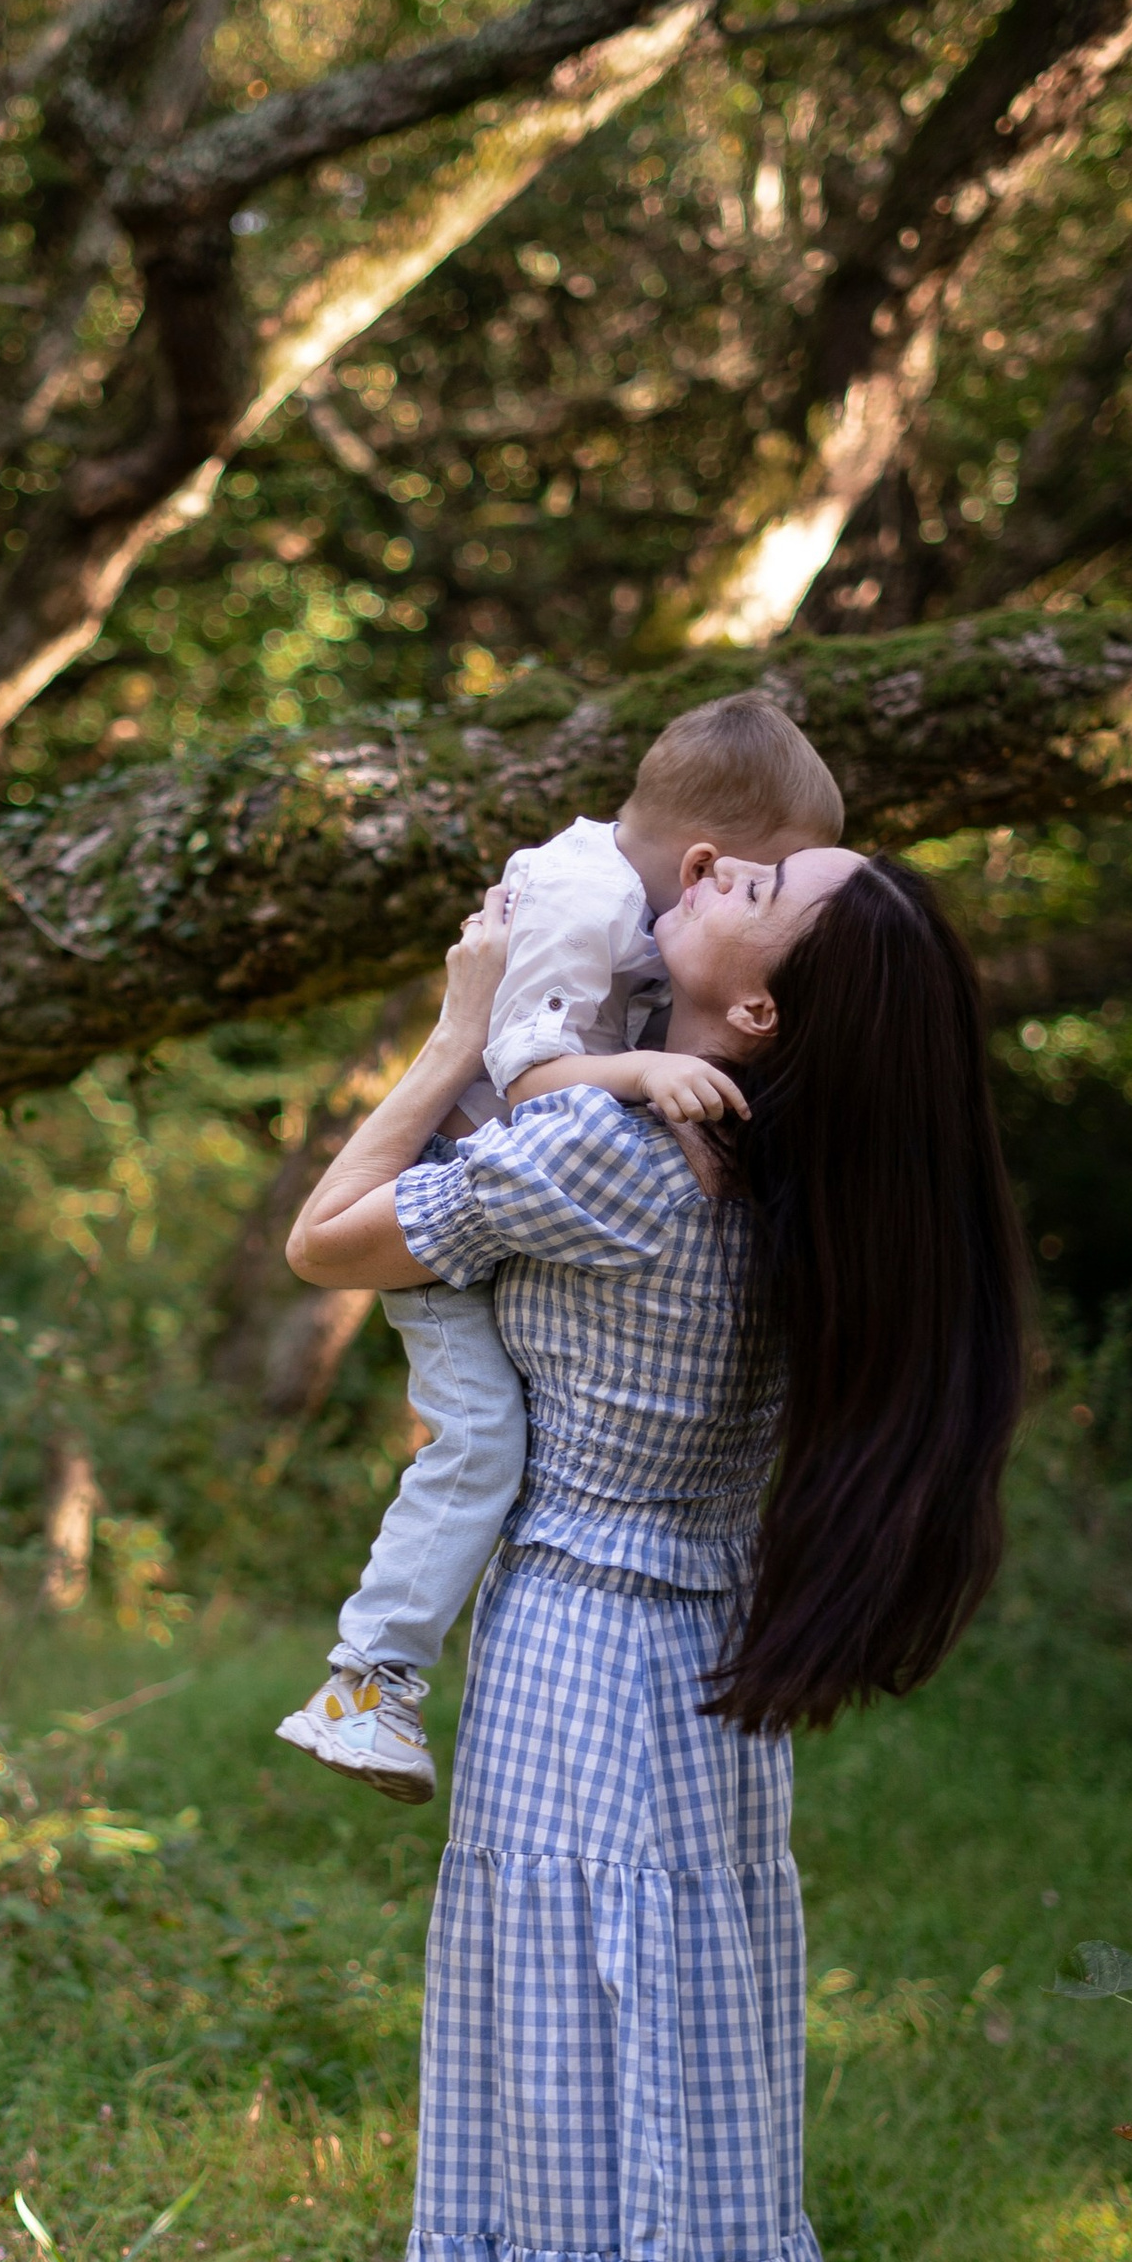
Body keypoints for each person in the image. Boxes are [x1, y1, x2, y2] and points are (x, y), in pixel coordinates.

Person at [286, 846, 1025, 2262]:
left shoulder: (613, 1168)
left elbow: (330, 1237)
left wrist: (458, 1024)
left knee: (618, 2178)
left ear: (752, 1010)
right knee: (682, 2172)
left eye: (752, 878)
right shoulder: (766, 1174)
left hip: (584, 1693)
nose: (699, 868)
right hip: (691, 1703)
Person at [274, 695, 844, 1807]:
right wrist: (636, 1074)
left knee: (492, 1439)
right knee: (480, 1439)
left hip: (494, 1211)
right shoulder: (586, 906)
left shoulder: (622, 894)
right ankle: (366, 1683)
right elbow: (530, 1077)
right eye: (763, 883)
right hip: (450, 1203)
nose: (758, 906)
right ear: (703, 864)